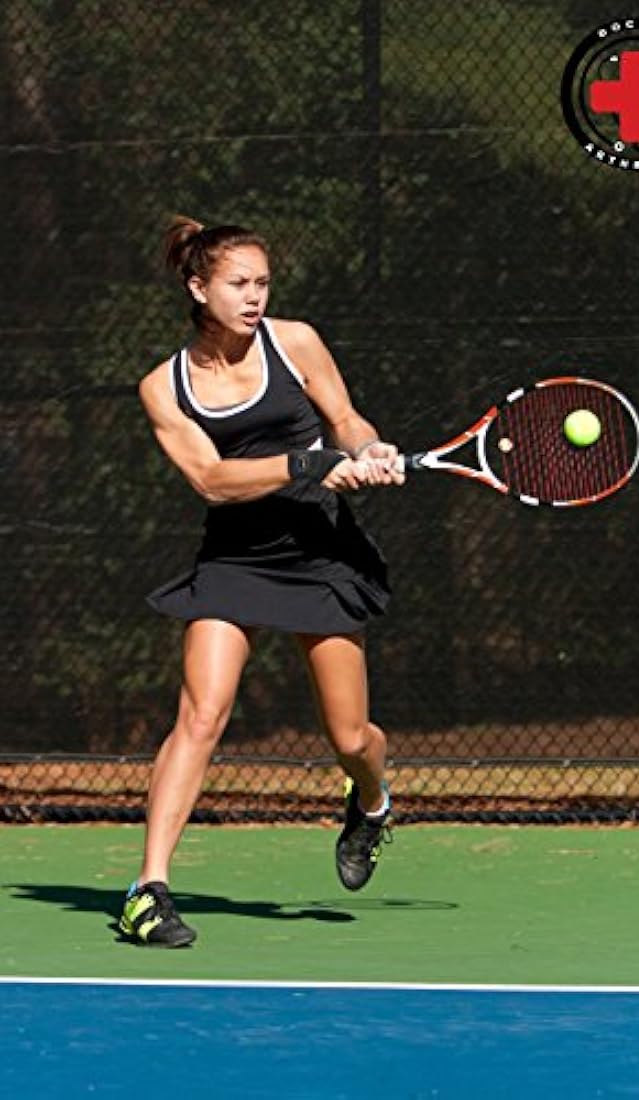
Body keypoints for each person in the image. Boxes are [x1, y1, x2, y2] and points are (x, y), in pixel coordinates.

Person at [119, 217, 404, 948]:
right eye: (238, 284)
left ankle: (370, 800)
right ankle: (147, 890)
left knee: (347, 736)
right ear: (197, 286)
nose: (253, 297)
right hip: (236, 555)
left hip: (318, 548)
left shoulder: (295, 341)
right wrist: (307, 465)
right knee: (201, 713)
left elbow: (342, 419)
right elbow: (213, 480)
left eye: (262, 283)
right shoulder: (164, 387)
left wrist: (370, 450)